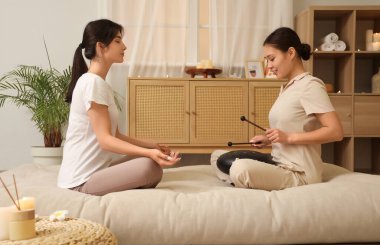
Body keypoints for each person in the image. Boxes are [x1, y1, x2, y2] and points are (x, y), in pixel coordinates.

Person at [211, 27, 343, 191]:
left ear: (291, 53)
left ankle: (241, 179)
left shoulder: (310, 85)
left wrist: (288, 137)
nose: (269, 65)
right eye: (267, 60)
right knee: (216, 156)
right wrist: (268, 139)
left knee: (239, 168)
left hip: (298, 172)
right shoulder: (287, 87)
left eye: (272, 59)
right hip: (277, 160)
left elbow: (335, 132)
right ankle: (245, 180)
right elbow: (290, 128)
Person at [58, 19, 180, 196]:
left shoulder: (98, 83)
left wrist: (152, 147)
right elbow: (105, 140)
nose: (124, 46)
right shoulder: (92, 83)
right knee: (149, 167)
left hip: (95, 172)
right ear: (101, 47)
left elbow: (115, 135)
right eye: (117, 41)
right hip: (81, 180)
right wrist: (149, 153)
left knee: (147, 159)